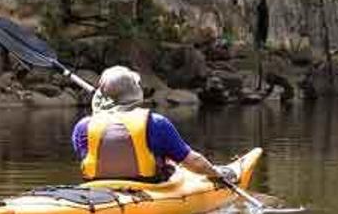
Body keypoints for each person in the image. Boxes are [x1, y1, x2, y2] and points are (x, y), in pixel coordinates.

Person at [71, 65, 236, 183]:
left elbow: (101, 154)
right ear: (134, 92)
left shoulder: (83, 126)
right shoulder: (156, 123)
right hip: (148, 188)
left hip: (97, 191)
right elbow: (192, 161)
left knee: (166, 161)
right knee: (169, 162)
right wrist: (216, 173)